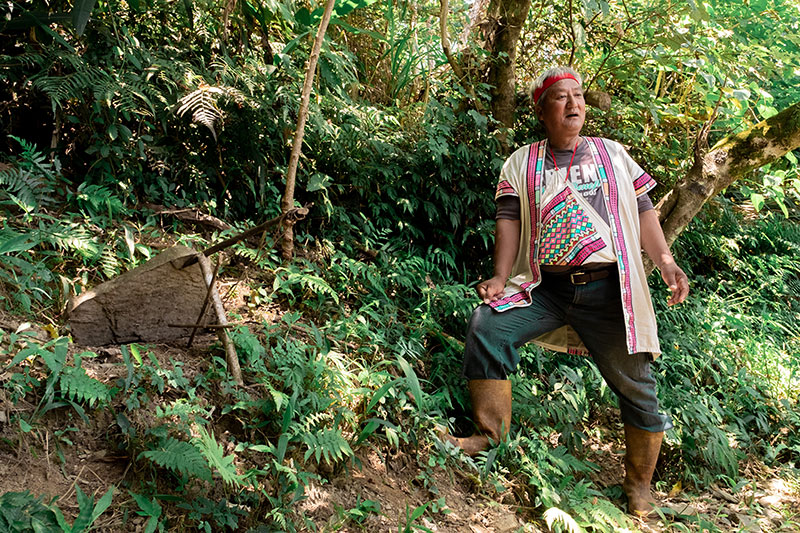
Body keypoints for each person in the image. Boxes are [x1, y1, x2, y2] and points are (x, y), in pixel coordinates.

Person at [445, 66, 690, 517]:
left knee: (637, 386)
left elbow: (643, 211)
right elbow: (509, 222)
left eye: (578, 96)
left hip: (609, 293)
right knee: (488, 325)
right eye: (561, 97)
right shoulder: (522, 162)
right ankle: (489, 435)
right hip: (547, 287)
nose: (573, 103)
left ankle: (639, 486)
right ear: (543, 110)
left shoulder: (612, 154)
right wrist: (500, 277)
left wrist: (667, 263)